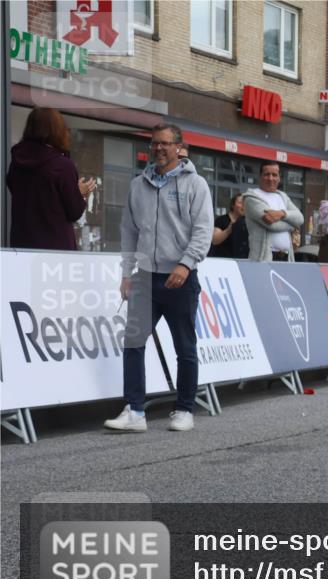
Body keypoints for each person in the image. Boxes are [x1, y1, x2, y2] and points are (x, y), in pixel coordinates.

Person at [103, 123, 213, 433]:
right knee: (133, 343)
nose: (159, 148)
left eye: (165, 143)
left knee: (184, 348)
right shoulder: (139, 185)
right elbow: (128, 231)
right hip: (145, 279)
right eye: (155, 143)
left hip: (180, 280)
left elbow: (203, 231)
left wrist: (186, 264)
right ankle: (135, 411)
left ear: (179, 147)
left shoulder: (197, 185)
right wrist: (126, 273)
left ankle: (184, 409)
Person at [6, 107, 96, 250]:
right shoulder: (62, 165)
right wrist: (80, 193)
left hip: (22, 246)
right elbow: (74, 212)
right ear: (57, 130)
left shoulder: (16, 163)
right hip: (55, 251)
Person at [244, 161, 304, 262]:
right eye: (267, 174)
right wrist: (292, 225)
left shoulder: (283, 196)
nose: (271, 178)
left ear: (279, 178)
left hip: (286, 257)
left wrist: (282, 214)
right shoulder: (252, 197)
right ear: (260, 176)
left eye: (274, 175)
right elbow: (271, 225)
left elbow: (300, 218)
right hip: (263, 258)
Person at [209, 193, 249, 259]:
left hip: (242, 261)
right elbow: (215, 240)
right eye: (240, 203)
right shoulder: (221, 220)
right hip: (223, 261)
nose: (243, 206)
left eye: (246, 204)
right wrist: (229, 230)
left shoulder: (247, 222)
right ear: (233, 205)